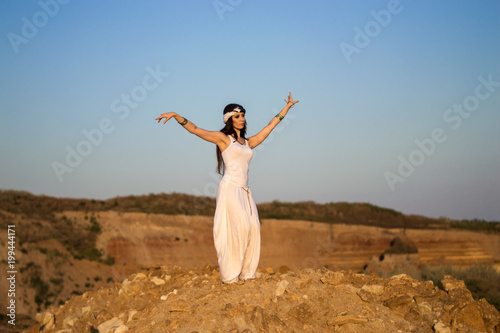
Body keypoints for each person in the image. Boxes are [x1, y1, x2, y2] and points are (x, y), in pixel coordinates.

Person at [155, 92, 299, 283]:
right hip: (230, 188)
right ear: (230, 119)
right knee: (241, 227)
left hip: (245, 191)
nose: (242, 119)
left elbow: (270, 126)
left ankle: (248, 275)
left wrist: (286, 108)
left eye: (243, 115)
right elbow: (197, 130)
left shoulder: (248, 143)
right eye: (237, 116)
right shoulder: (224, 139)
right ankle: (231, 276)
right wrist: (175, 115)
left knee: (254, 227)